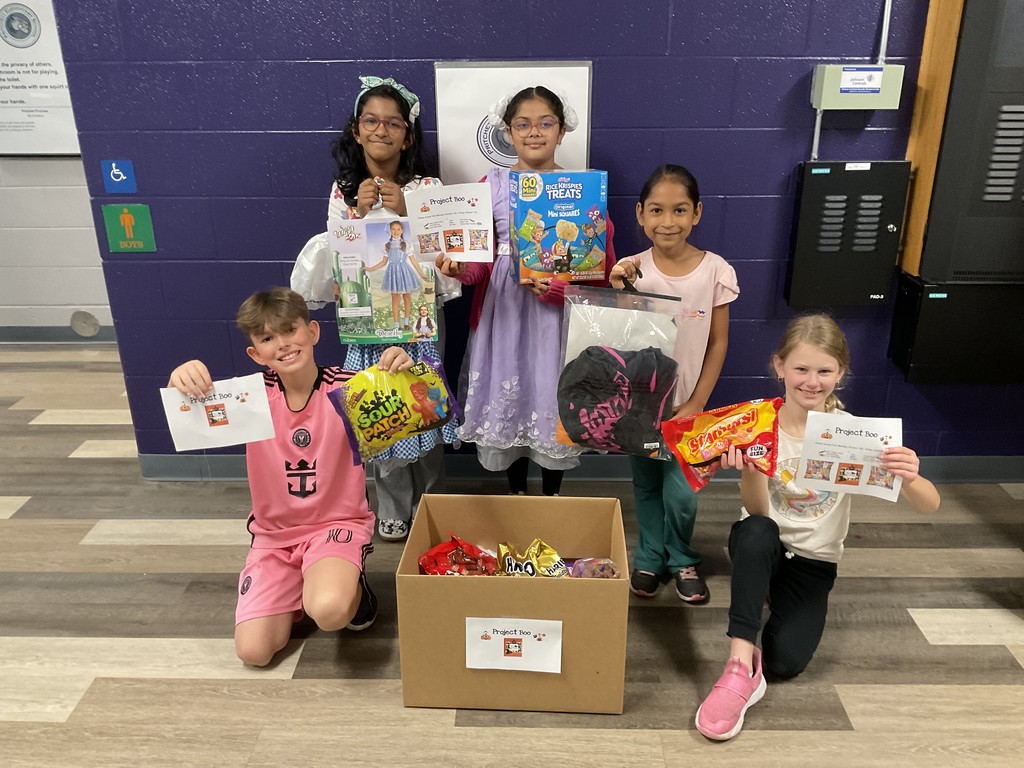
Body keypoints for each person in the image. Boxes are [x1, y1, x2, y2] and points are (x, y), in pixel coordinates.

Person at [694, 313, 941, 741]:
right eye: (801, 369)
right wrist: (750, 471)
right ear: (779, 367)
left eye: (824, 371)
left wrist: (911, 474)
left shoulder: (856, 436)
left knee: (785, 663)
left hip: (814, 559)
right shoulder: (758, 425)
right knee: (756, 533)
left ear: (841, 374)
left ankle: (766, 606)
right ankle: (737, 663)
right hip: (762, 541)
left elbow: (931, 506)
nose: (812, 381)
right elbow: (756, 512)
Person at [168, 287, 413, 667]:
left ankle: (349, 586)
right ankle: (300, 578)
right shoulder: (247, 401)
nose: (282, 344)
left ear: (312, 332)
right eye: (267, 338)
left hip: (335, 525)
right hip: (274, 537)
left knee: (331, 611)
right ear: (255, 353)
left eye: (289, 330)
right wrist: (180, 379)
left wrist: (401, 365)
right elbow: (186, 415)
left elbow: (418, 399)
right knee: (254, 653)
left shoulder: (351, 389)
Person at [293, 75, 458, 542]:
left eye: (393, 123)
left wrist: (410, 209)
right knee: (377, 406)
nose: (381, 130)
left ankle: (433, 502)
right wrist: (359, 215)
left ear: (408, 134)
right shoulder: (342, 190)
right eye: (371, 120)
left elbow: (446, 257)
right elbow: (335, 260)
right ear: (356, 129)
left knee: (424, 402)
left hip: (420, 318)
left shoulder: (428, 185)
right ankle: (391, 503)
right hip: (367, 321)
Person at [436, 85, 616, 496]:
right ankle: (517, 494)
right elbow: (480, 261)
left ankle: (552, 495)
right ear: (508, 131)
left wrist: (558, 288)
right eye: (523, 124)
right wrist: (461, 269)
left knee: (550, 398)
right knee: (510, 396)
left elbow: (600, 270)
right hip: (505, 316)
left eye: (545, 122)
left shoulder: (583, 188)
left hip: (557, 319)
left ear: (562, 129)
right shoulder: (492, 183)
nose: (534, 132)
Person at [609, 164, 738, 604]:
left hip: (689, 406)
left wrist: (698, 401)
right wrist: (619, 292)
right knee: (646, 485)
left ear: (697, 213)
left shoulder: (715, 270)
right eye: (658, 210)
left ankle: (681, 556)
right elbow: (621, 342)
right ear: (640, 214)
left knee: (681, 491)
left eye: (680, 210)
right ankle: (648, 555)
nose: (669, 221)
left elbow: (718, 343)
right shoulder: (629, 269)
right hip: (641, 405)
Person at [365, 220, 429, 330]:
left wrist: (421, 273)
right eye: (393, 229)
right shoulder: (387, 245)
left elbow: (413, 261)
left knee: (407, 297)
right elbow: (384, 262)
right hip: (393, 273)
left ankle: (406, 322)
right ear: (390, 231)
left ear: (402, 230)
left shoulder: (406, 245)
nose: (396, 231)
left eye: (398, 229)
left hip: (405, 272)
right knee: (395, 299)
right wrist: (371, 268)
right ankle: (396, 324)